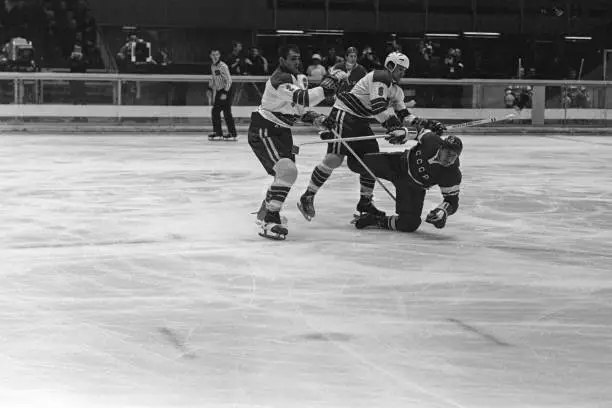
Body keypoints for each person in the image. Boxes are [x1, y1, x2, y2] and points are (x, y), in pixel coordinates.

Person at [297, 52, 445, 221]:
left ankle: (365, 202)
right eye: (400, 69)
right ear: (390, 66)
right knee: (334, 158)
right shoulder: (380, 76)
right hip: (344, 114)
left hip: (361, 120)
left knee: (372, 160)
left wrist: (428, 124)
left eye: (405, 70)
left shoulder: (396, 91)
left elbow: (405, 115)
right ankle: (308, 195)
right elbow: (378, 107)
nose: (403, 73)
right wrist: (394, 128)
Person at [248, 44, 343, 240]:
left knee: (284, 174)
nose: (297, 62)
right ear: (282, 60)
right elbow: (303, 98)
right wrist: (326, 88)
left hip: (282, 132)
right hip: (265, 130)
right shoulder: (280, 79)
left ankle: (265, 212)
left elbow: (299, 109)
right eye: (292, 58)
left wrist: (319, 119)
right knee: (287, 171)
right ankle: (270, 220)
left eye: (298, 58)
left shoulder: (296, 79)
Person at [353, 127, 462, 233]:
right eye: (448, 153)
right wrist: (404, 132)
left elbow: (452, 200)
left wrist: (443, 211)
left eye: (454, 156)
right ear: (441, 148)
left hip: (412, 187)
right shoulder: (432, 140)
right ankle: (365, 201)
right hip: (397, 165)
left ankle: (374, 220)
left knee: (409, 224)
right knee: (357, 164)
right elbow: (419, 132)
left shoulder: (452, 173)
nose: (450, 159)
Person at [208, 48, 237, 140]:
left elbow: (229, 80)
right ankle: (220, 133)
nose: (215, 56)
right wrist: (209, 87)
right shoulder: (213, 66)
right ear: (210, 56)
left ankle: (230, 134)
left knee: (224, 112)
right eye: (213, 55)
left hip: (226, 91)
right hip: (220, 91)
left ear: (219, 55)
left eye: (217, 54)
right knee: (217, 112)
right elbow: (213, 78)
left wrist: (225, 92)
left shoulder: (222, 66)